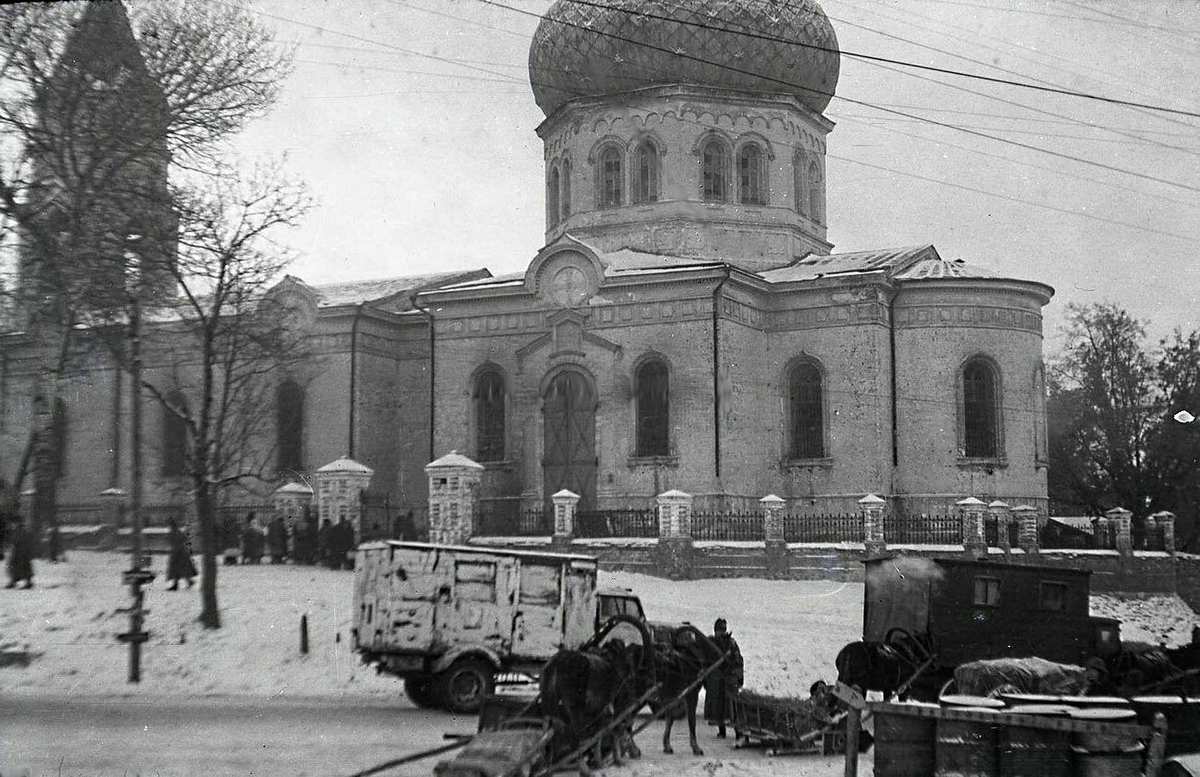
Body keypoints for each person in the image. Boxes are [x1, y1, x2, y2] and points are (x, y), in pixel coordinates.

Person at [703, 617, 744, 739]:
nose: (721, 632)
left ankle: (738, 732)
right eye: (719, 630)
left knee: (732, 708)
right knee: (718, 707)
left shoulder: (731, 643)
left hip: (728, 680)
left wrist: (738, 677)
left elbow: (738, 661)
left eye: (723, 629)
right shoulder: (711, 643)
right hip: (716, 681)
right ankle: (722, 731)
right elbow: (706, 661)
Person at [165, 517, 197, 590]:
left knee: (178, 569)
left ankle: (178, 584)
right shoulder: (177, 532)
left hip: (179, 553)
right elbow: (184, 539)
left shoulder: (174, 532)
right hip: (181, 553)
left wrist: (176, 550)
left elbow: (177, 542)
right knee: (181, 570)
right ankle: (187, 582)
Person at [5, 518, 34, 589]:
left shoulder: (19, 530)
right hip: (22, 552)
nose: (11, 525)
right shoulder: (21, 529)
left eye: (12, 523)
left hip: (20, 552)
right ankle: (16, 582)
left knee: (18, 567)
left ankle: (17, 582)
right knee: (22, 567)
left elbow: (16, 540)